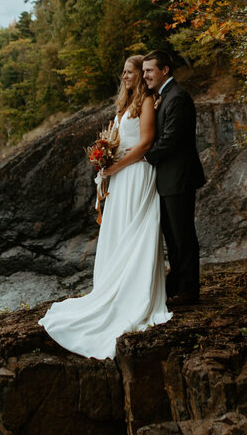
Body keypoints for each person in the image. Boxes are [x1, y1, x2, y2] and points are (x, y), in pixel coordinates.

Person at [39, 55, 172, 359]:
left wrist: (115, 166)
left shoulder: (148, 102)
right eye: (123, 72)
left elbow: (146, 144)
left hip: (137, 173)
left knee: (136, 231)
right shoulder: (124, 106)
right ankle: (112, 289)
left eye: (131, 72)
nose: (126, 77)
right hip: (122, 176)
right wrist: (107, 162)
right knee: (118, 233)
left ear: (142, 75)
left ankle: (134, 296)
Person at [142, 49, 206, 306]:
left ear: (164, 70)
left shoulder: (177, 97)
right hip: (168, 179)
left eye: (149, 70)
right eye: (144, 70)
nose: (145, 75)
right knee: (172, 236)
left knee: (183, 236)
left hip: (179, 177)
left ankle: (189, 291)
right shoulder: (164, 96)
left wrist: (145, 158)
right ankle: (177, 285)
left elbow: (171, 139)